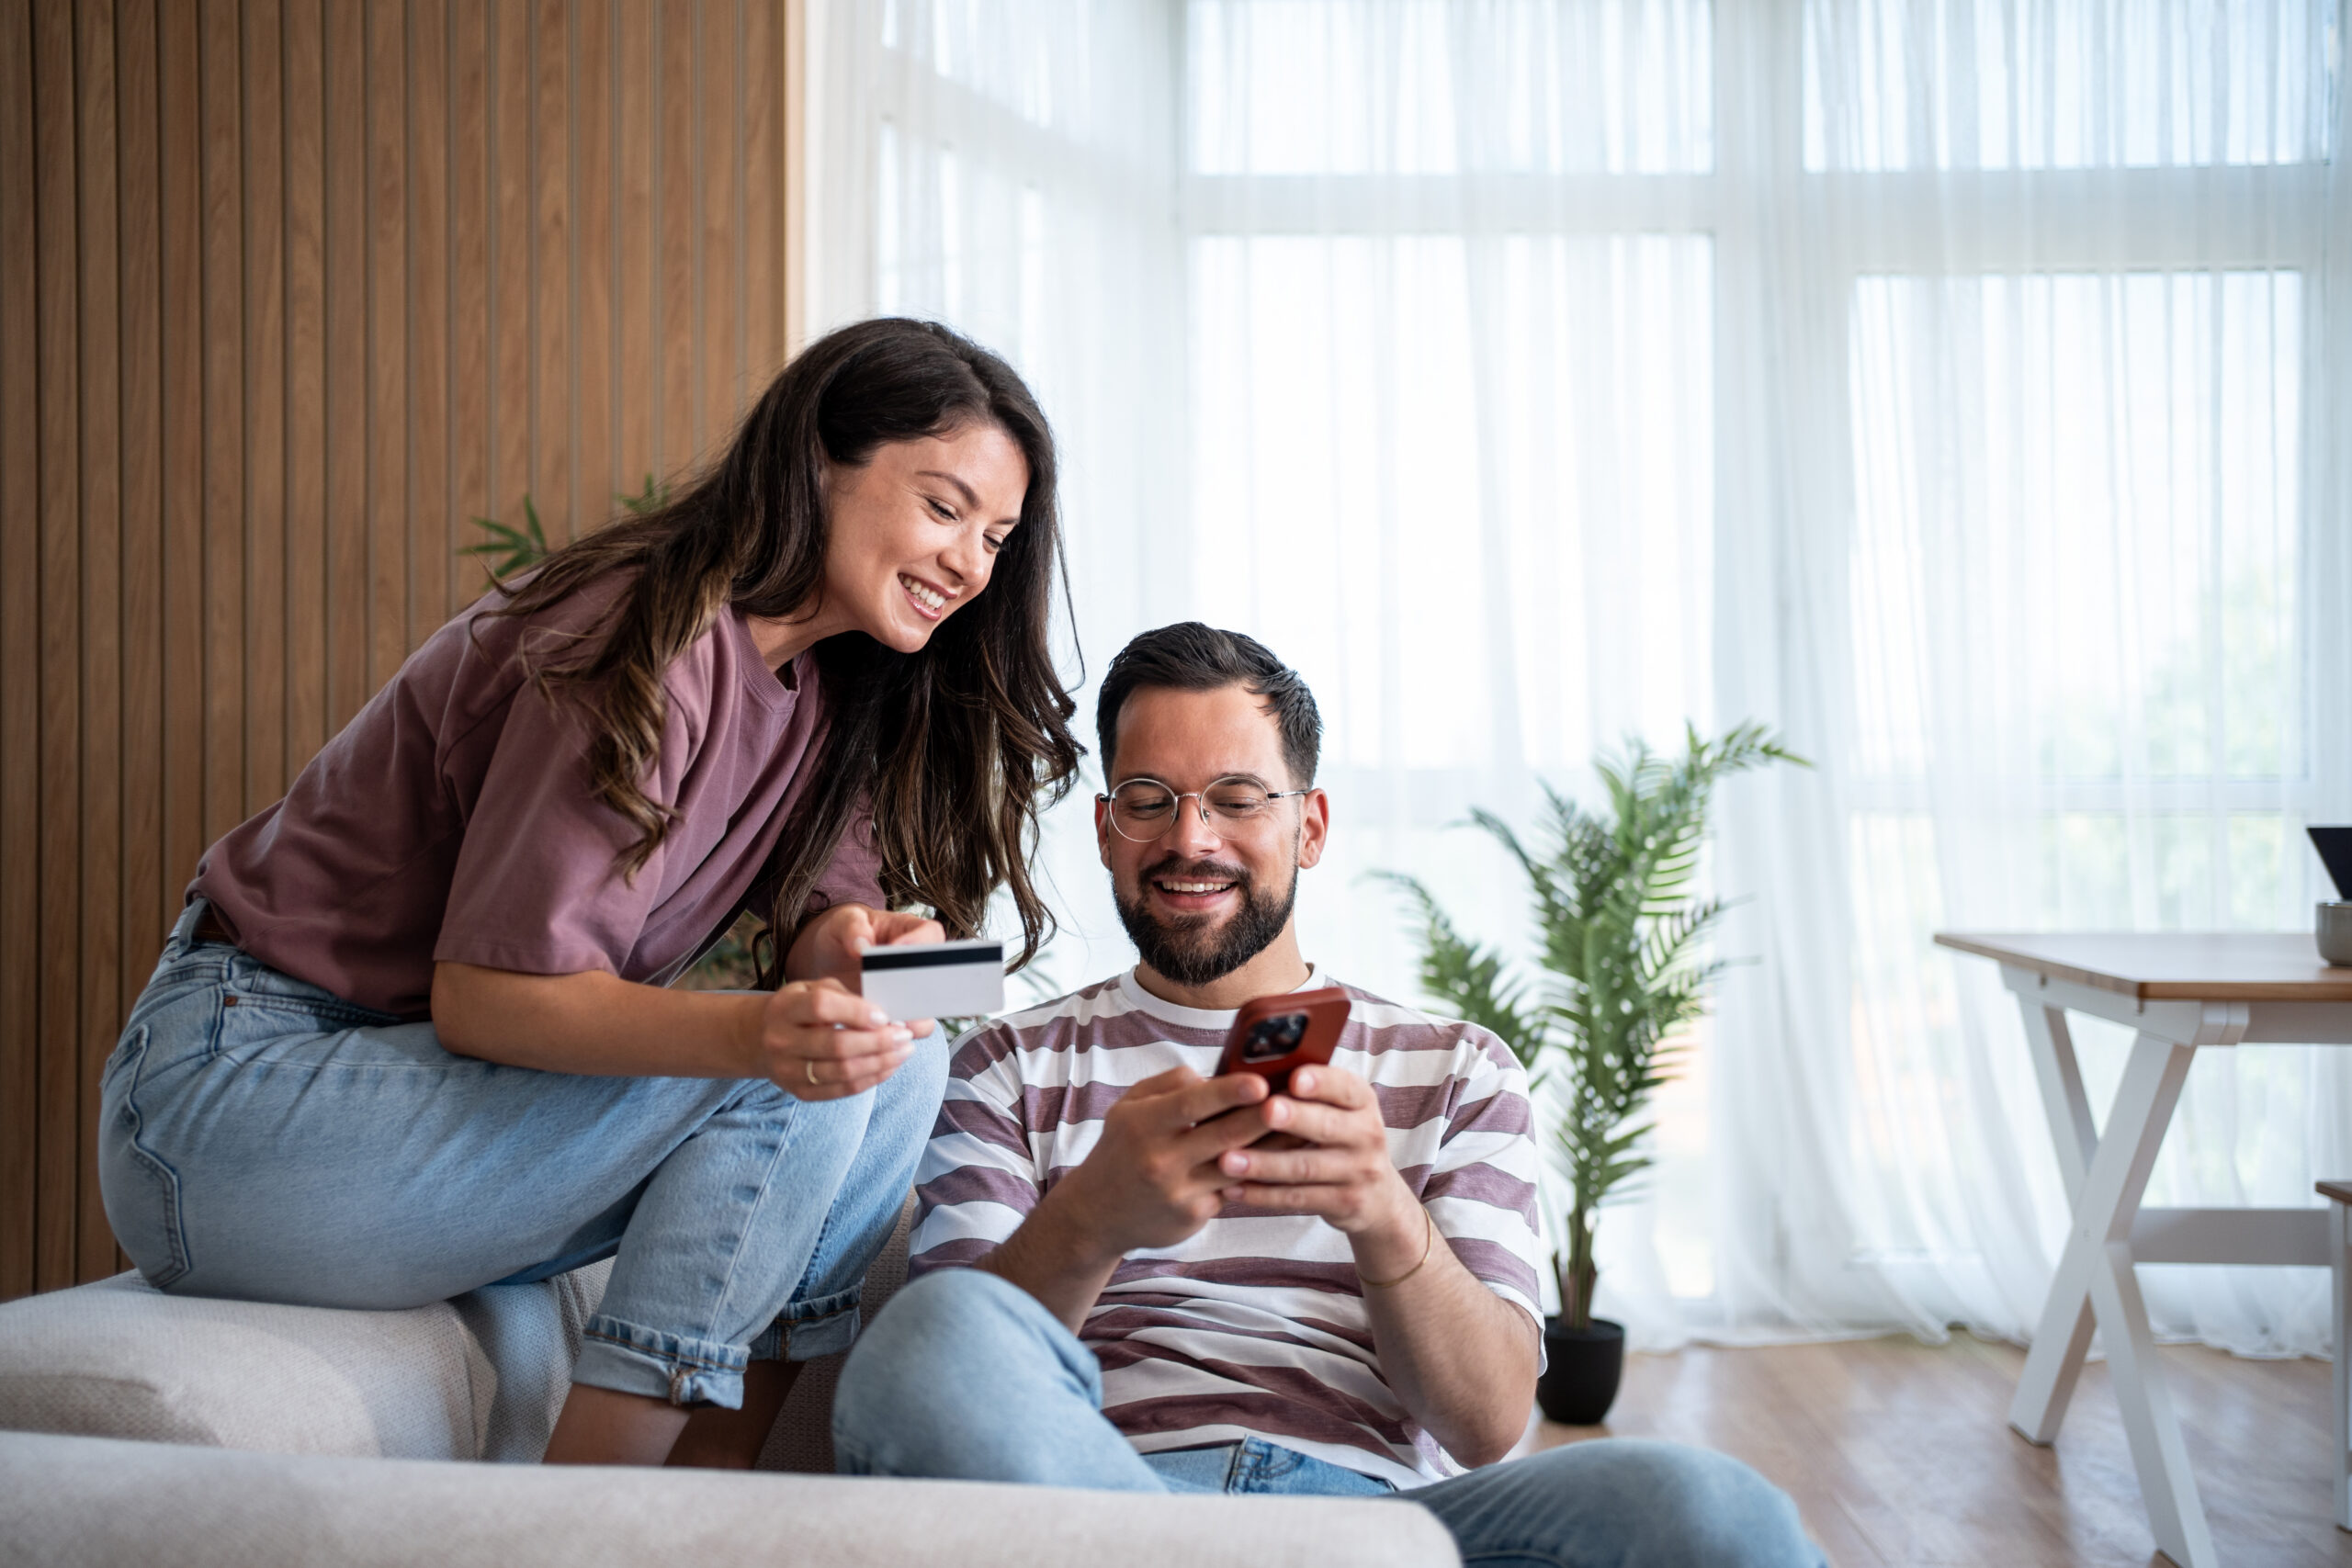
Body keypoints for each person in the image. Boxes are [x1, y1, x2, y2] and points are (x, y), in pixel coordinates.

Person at [96, 317, 1082, 1469]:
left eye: (999, 538)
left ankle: (719, 1504)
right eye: (944, 507)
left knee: (895, 1048)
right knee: (783, 1064)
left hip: (422, 1109)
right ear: (819, 462)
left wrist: (854, 949)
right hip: (231, 1104)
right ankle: (589, 1514)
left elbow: (826, 923)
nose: (971, 563)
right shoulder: (643, 635)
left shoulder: (825, 685)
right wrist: (766, 1030)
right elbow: (488, 1000)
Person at [832, 623, 1824, 1568]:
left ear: (1308, 826)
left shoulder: (1457, 1068)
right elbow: (946, 1368)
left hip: (1376, 1529)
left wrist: (1383, 1216)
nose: (1191, 838)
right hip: (1101, 1505)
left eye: (1236, 797)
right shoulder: (1009, 1060)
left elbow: (1486, 1426)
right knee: (930, 1335)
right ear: (1104, 829)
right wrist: (1092, 1219)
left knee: (1711, 1509)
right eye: (1148, 798)